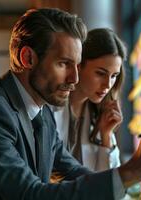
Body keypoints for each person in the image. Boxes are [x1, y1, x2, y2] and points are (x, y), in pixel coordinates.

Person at [0, 8, 141, 200]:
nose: (74, 78)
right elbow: (30, 194)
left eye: (76, 65)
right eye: (64, 64)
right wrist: (132, 171)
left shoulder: (43, 113)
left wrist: (127, 183)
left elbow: (73, 170)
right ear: (27, 58)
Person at [51, 28, 125, 172]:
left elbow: (107, 183)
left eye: (114, 75)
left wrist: (106, 136)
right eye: (100, 73)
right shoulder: (50, 107)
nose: (108, 85)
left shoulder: (100, 115)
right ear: (78, 66)